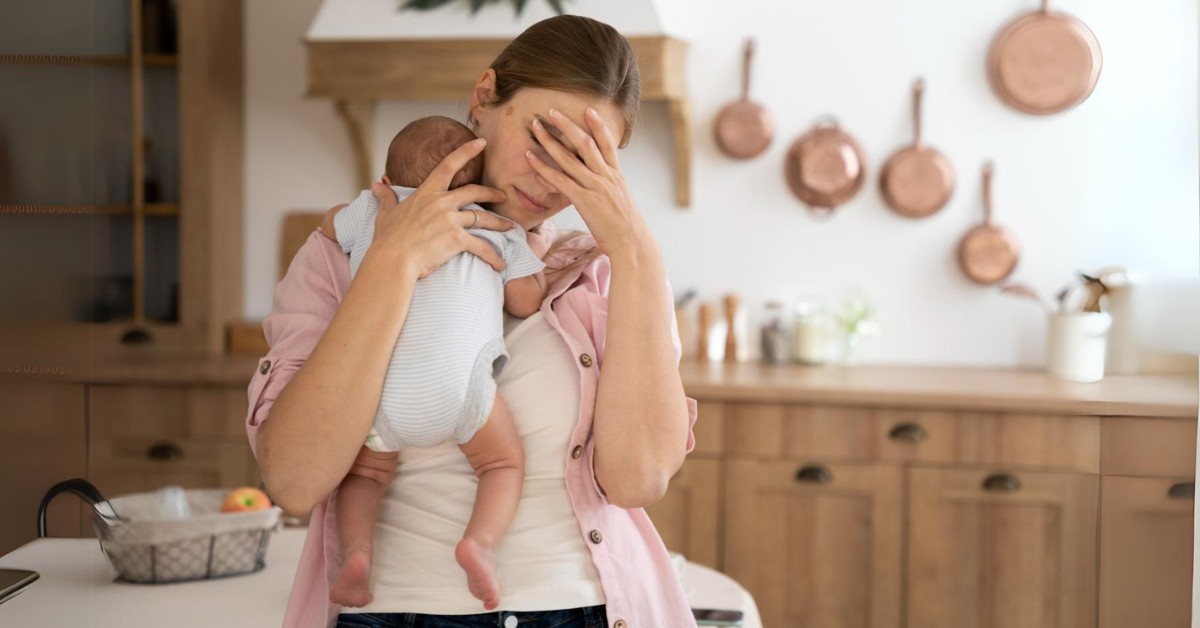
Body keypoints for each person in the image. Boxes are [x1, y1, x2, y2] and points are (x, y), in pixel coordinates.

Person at [245, 14, 699, 628]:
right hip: (390, 614)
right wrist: (393, 263)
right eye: (542, 141)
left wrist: (634, 247)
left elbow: (637, 480)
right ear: (484, 98)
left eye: (585, 160)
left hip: (583, 612)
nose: (550, 179)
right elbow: (296, 481)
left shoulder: (609, 275)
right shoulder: (342, 253)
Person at [320, 115, 550, 610]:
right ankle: (479, 544)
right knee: (502, 463)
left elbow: (325, 227)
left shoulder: (373, 211)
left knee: (364, 477)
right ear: (483, 187)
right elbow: (527, 301)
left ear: (386, 182)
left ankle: (356, 558)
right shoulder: (498, 227)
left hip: (380, 392)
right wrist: (531, 254)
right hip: (460, 390)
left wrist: (363, 206)